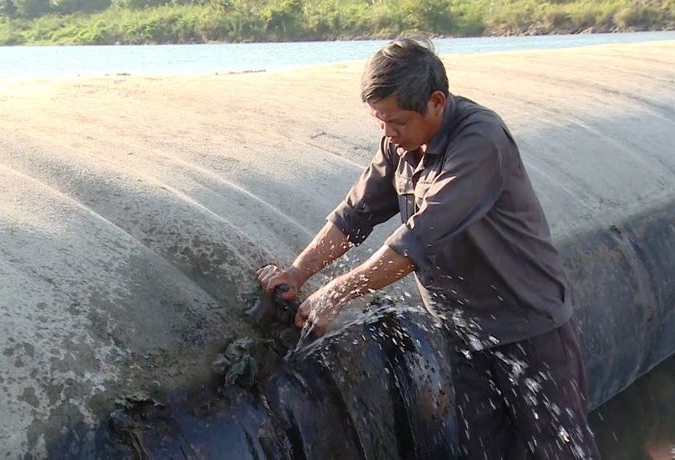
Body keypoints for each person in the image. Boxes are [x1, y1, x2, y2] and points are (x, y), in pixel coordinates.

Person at [257, 36, 600, 459]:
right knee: (484, 451)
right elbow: (355, 214)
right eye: (379, 121)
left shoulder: (479, 140)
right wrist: (297, 273)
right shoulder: (399, 144)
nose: (388, 133)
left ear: (436, 102)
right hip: (464, 334)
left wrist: (338, 293)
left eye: (397, 121)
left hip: (529, 328)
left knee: (560, 450)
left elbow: (418, 238)